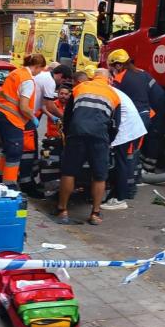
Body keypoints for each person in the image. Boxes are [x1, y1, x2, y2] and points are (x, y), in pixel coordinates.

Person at [55, 68, 121, 225]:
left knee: (69, 172)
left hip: (77, 133)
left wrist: (68, 135)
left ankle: (62, 211)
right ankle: (95, 214)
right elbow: (115, 125)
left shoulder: (80, 88)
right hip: (99, 136)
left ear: (93, 77)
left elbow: (67, 116)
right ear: (109, 79)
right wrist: (108, 141)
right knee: (99, 176)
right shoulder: (114, 95)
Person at [0, 53, 46, 190]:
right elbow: (24, 107)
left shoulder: (16, 73)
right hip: (11, 118)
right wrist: (32, 117)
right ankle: (9, 185)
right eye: (41, 69)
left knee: (6, 149)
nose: (40, 73)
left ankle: (1, 179)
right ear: (37, 66)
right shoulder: (28, 80)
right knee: (15, 152)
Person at [101, 83, 147, 211]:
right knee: (121, 162)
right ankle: (115, 195)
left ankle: (119, 199)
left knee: (121, 163)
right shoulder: (108, 89)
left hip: (127, 130)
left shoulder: (103, 91)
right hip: (128, 127)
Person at [108, 49, 152, 133]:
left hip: (134, 119)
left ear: (118, 66)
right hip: (146, 115)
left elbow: (114, 101)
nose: (110, 70)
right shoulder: (142, 73)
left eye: (111, 67)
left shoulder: (118, 79)